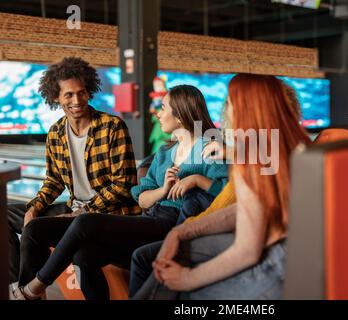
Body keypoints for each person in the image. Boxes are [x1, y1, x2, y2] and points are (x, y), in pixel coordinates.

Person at [11, 84, 229, 300]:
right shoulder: (164, 153)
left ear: (180, 115)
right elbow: (143, 199)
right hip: (151, 219)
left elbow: (229, 192)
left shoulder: (207, 147)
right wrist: (163, 190)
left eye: (162, 107)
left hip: (176, 224)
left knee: (85, 222)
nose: (158, 113)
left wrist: (197, 180)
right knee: (83, 254)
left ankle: (35, 287)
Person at [131, 73, 312, 300]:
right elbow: (245, 209)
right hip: (280, 249)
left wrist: (187, 278)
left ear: (248, 108)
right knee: (168, 258)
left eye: (230, 102)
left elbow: (247, 249)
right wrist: (180, 231)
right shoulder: (283, 148)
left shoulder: (254, 159)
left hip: (279, 262)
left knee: (182, 290)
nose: (226, 109)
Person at [7, 57, 140, 289]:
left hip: (109, 214)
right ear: (56, 97)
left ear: (89, 92)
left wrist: (82, 212)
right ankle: (15, 285)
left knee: (34, 231)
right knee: (7, 216)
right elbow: (54, 180)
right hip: (74, 208)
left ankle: (28, 291)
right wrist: (35, 207)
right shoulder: (56, 132)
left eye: (81, 93)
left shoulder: (112, 127)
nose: (76, 100)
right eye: (68, 95)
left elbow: (123, 186)